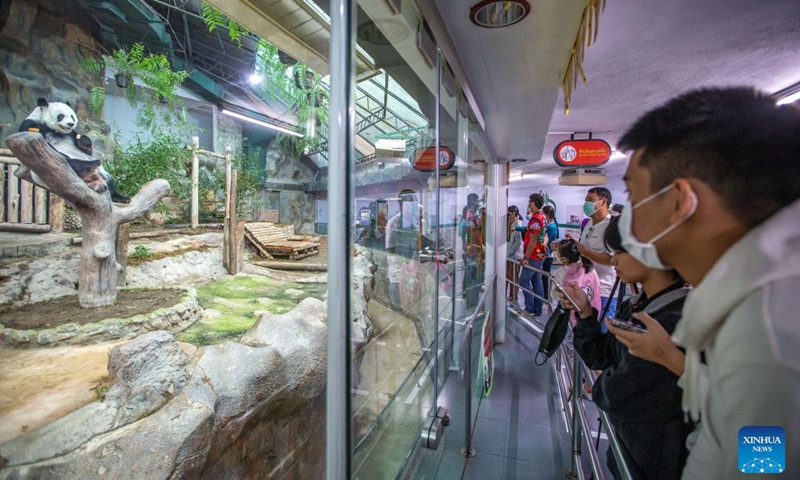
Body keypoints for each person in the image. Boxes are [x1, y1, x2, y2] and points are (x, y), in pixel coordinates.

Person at [604, 87, 800, 479]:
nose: (628, 218)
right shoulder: (759, 304)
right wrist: (670, 358)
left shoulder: (766, 334)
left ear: (680, 201)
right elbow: (739, 413)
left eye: (633, 195)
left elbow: (763, 466)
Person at [563, 216, 693, 480]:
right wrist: (586, 314)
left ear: (651, 253)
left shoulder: (670, 323)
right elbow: (601, 357)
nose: (613, 260)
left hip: (655, 461)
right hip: (629, 450)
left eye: (620, 252)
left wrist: (605, 381)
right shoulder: (637, 306)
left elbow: (613, 392)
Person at [577, 187, 618, 318]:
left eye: (590, 200)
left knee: (603, 326)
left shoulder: (612, 226)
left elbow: (612, 259)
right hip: (586, 287)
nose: (586, 204)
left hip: (604, 289)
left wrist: (585, 252)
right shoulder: (588, 224)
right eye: (585, 200)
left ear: (603, 202)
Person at [519, 193, 548, 316]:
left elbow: (532, 241)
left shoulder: (535, 219)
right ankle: (538, 309)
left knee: (523, 280)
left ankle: (529, 307)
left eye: (529, 202)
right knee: (537, 281)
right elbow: (545, 235)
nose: (528, 204)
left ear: (532, 203)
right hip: (540, 255)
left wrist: (525, 257)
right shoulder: (543, 217)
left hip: (533, 256)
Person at [541, 205, 559, 298]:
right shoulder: (548, 225)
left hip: (547, 255)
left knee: (545, 278)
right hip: (545, 254)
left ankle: (546, 297)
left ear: (547, 215)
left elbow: (547, 241)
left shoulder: (551, 227)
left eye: (542, 213)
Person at [506, 205, 524, 301]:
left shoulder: (518, 224)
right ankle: (506, 294)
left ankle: (513, 295)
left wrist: (510, 252)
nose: (510, 215)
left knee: (514, 276)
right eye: (508, 213)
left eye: (511, 213)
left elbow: (518, 242)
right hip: (508, 255)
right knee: (507, 275)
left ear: (515, 214)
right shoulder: (509, 223)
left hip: (515, 255)